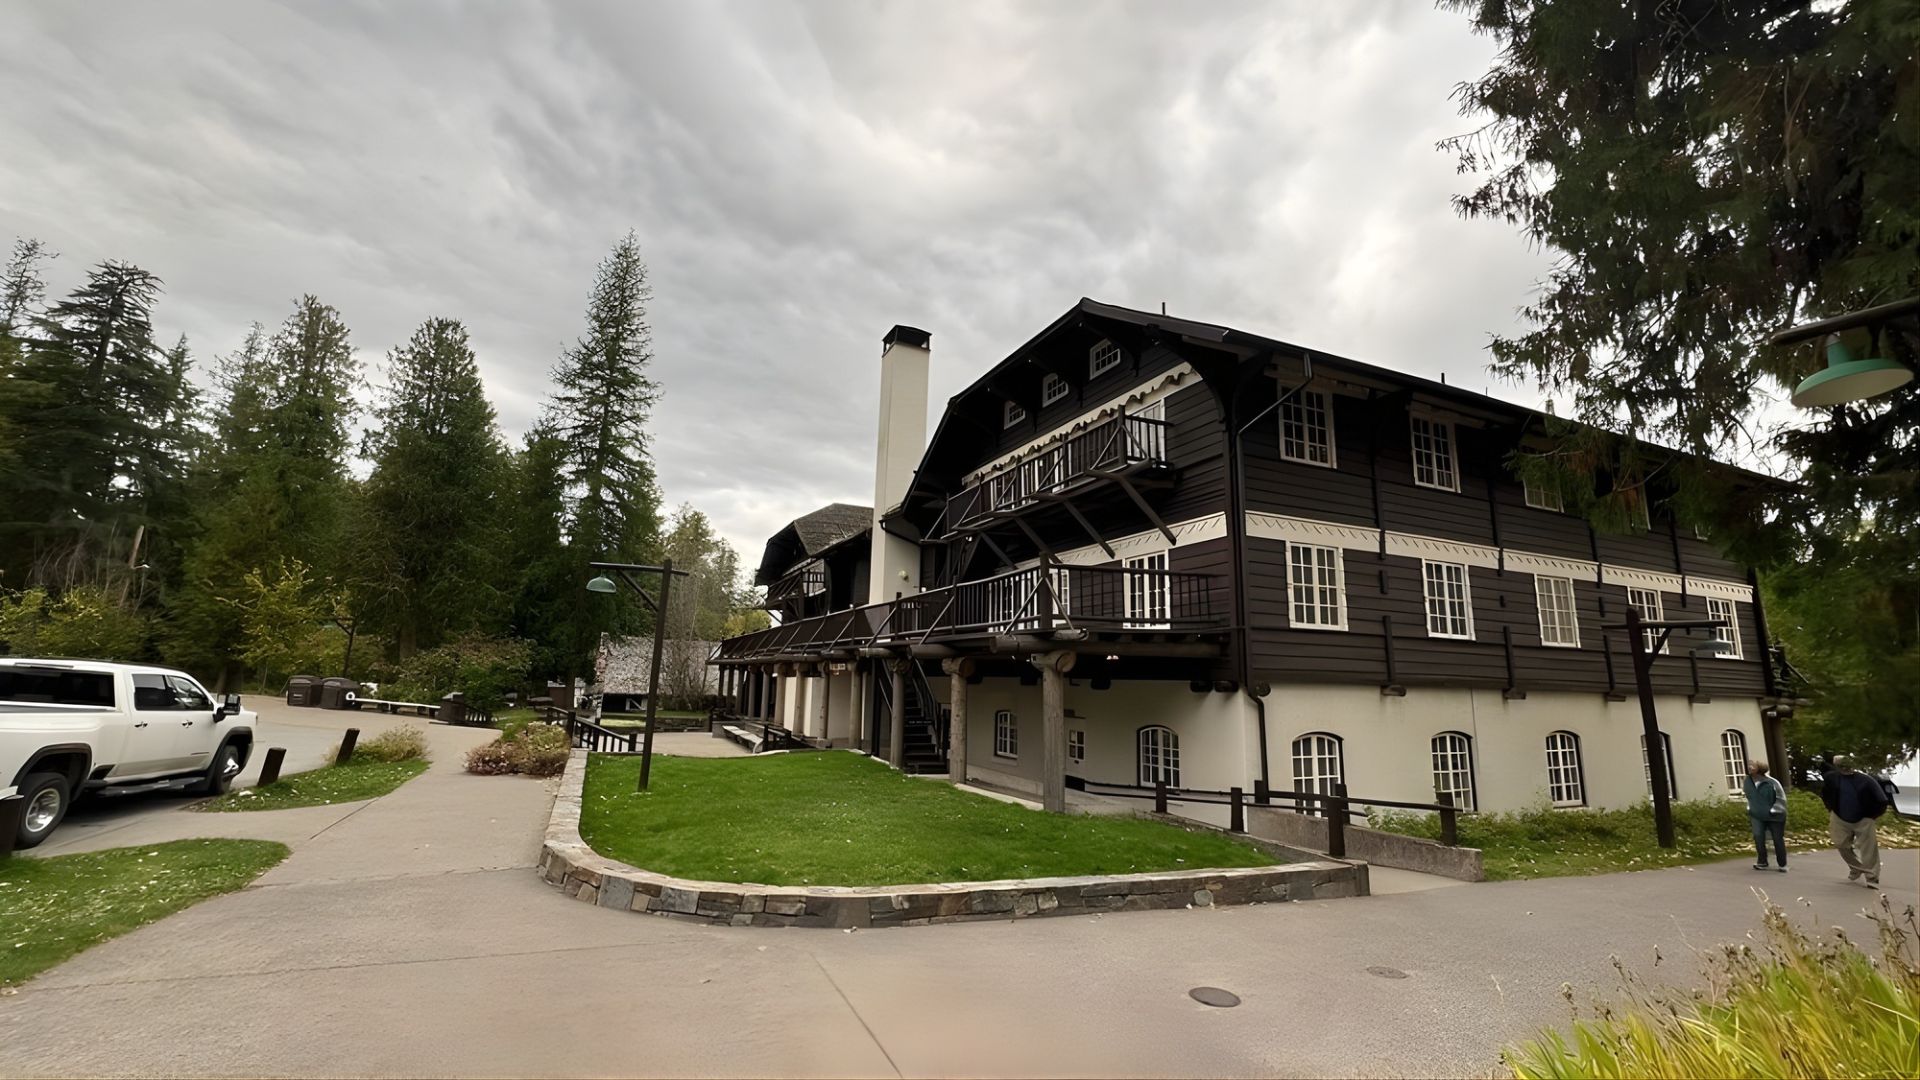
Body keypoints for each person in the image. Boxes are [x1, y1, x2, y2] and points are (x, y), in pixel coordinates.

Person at [1820, 755, 1891, 887]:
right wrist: (1830, 808)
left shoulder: (1866, 780)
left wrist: (1872, 816)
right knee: (1841, 844)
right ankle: (1856, 868)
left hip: (1864, 819)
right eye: (1842, 766)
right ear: (1838, 767)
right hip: (1839, 817)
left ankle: (1872, 878)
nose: (1846, 769)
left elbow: (1882, 800)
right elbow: (1825, 793)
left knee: (1868, 850)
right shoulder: (1832, 778)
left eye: (1847, 766)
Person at [1744, 759, 1788, 872]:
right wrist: (1749, 808)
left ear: (1760, 768)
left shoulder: (1772, 782)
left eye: (1753, 766)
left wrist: (1774, 810)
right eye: (1749, 765)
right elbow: (1749, 796)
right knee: (1758, 837)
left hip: (1775, 815)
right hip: (1756, 815)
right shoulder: (1747, 781)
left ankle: (1782, 864)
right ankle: (1762, 862)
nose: (1750, 767)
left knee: (1777, 839)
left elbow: (1781, 798)